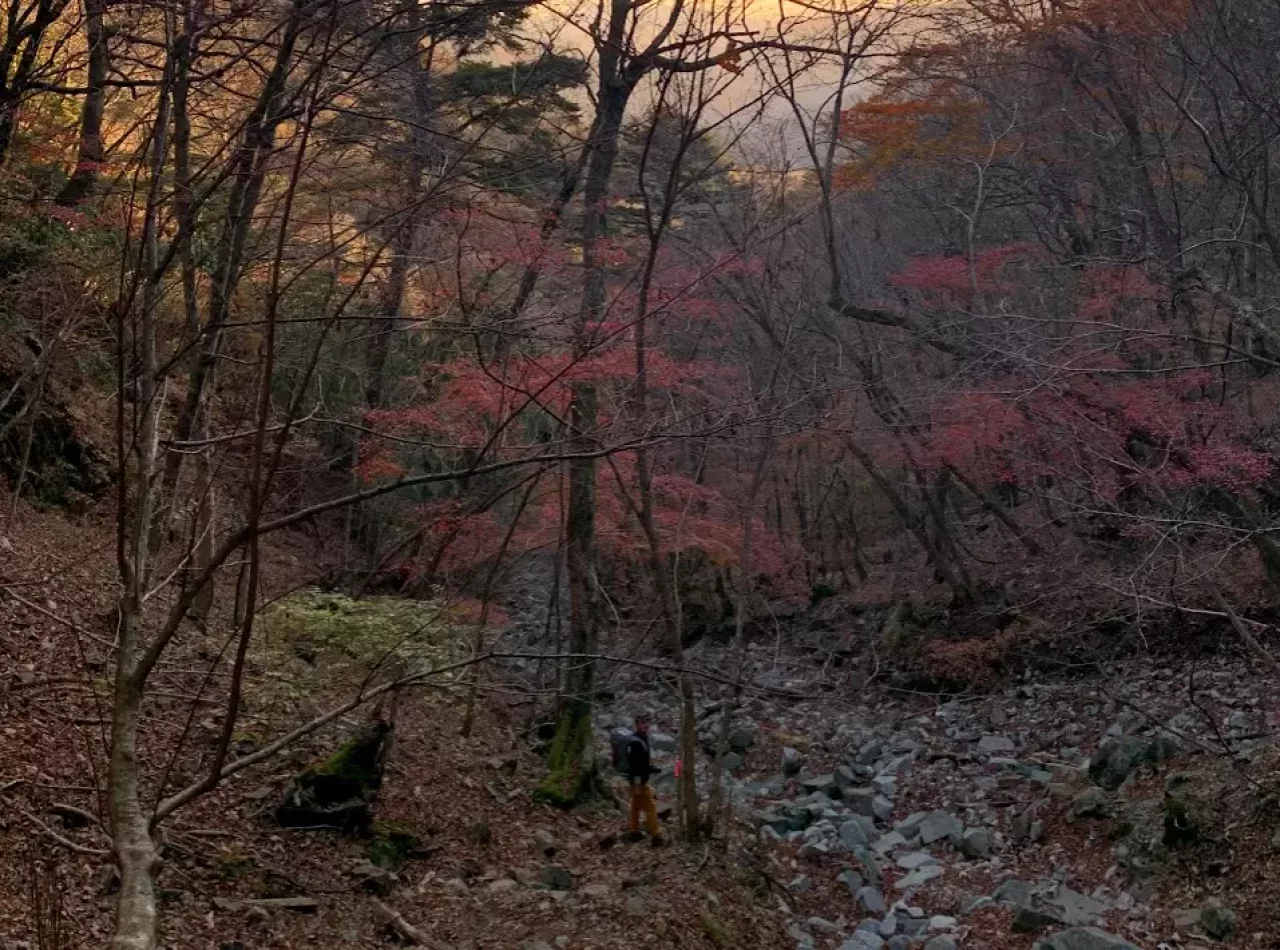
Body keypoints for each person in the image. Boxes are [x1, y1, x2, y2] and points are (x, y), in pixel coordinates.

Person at [624, 716, 665, 846]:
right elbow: (634, 766)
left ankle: (634, 832)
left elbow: (642, 763)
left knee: (635, 806)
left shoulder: (643, 737)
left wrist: (652, 769)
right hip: (638, 781)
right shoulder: (635, 742)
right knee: (651, 807)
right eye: (643, 723)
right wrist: (637, 784)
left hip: (639, 779)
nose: (647, 725)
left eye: (648, 722)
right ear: (637, 724)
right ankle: (656, 837)